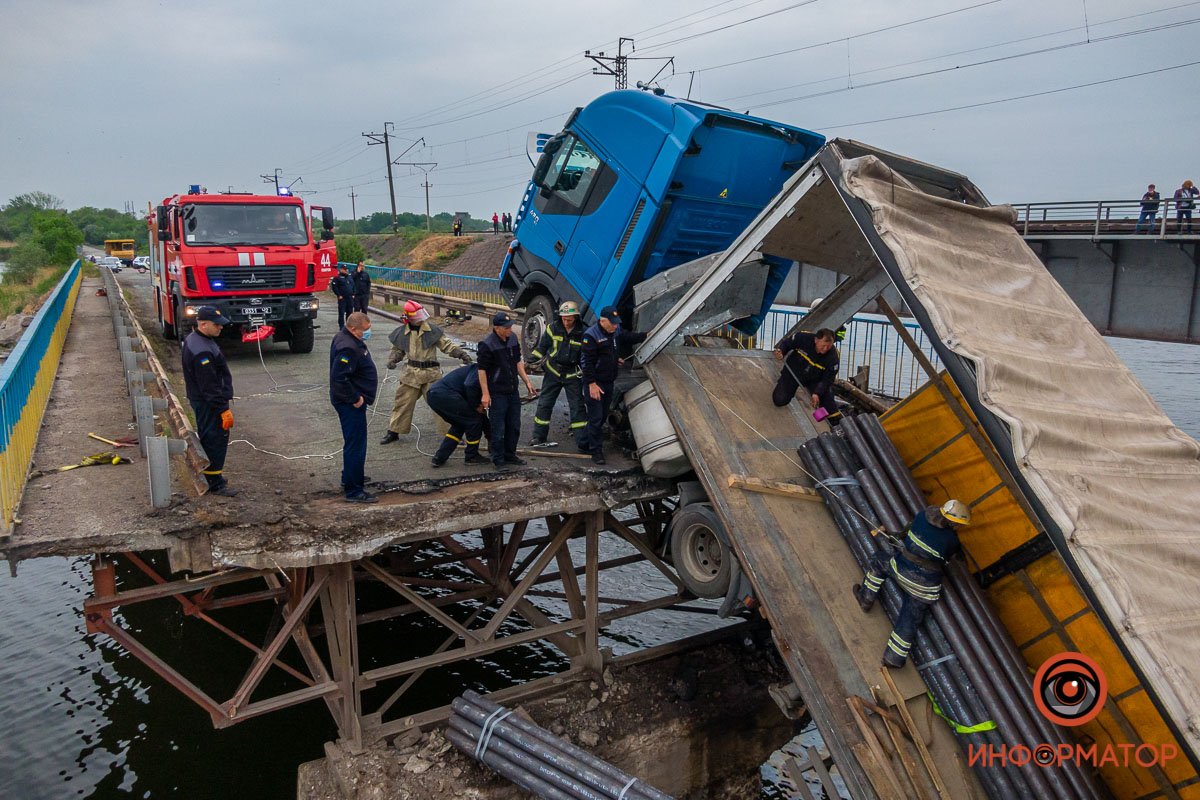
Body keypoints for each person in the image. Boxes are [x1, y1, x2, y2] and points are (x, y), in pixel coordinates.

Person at [853, 500, 971, 668]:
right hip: (924, 588)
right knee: (910, 617)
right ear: (954, 523)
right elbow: (945, 562)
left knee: (879, 561)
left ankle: (866, 598)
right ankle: (894, 658)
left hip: (900, 569)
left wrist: (901, 537)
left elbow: (908, 533)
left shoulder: (923, 515)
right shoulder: (952, 541)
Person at [379, 300, 473, 444]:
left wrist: (461, 354)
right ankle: (394, 431)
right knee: (402, 403)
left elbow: (447, 345)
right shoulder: (402, 332)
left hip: (431, 374)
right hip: (410, 375)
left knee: (441, 405)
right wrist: (393, 359)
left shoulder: (432, 331)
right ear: (409, 317)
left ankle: (452, 435)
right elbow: (397, 349)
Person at [182, 306, 238, 496]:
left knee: (212, 436)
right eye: (216, 325)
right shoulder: (202, 351)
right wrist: (222, 408)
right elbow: (209, 385)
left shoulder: (198, 340)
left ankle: (214, 477)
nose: (220, 328)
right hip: (209, 403)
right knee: (214, 439)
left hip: (204, 400)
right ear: (203, 324)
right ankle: (214, 482)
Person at [580, 306, 646, 465]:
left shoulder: (614, 331)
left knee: (602, 415)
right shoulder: (591, 335)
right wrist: (591, 384)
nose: (616, 326)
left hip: (609, 381)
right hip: (596, 383)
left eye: (617, 323)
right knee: (596, 417)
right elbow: (586, 362)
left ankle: (583, 442)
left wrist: (646, 335)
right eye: (613, 323)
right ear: (603, 321)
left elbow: (627, 337)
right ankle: (596, 451)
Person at [329, 312, 379, 503]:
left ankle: (351, 476)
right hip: (349, 403)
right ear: (353, 329)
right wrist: (355, 398)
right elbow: (339, 377)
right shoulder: (348, 347)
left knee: (355, 442)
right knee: (356, 444)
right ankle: (354, 490)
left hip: (349, 400)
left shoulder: (346, 338)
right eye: (365, 330)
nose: (368, 333)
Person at [478, 311, 537, 469]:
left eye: (510, 326)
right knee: (498, 428)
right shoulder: (487, 344)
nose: (510, 329)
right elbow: (481, 370)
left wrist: (527, 381)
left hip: (512, 390)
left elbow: (518, 362)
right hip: (497, 393)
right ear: (497, 328)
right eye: (506, 327)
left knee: (514, 425)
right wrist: (485, 394)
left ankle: (510, 454)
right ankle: (498, 459)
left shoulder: (512, 339)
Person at [529, 300, 587, 450]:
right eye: (563, 318)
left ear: (575, 317)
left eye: (569, 319)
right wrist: (532, 359)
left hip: (572, 375)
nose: (566, 322)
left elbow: (586, 356)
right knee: (544, 404)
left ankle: (583, 442)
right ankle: (538, 436)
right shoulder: (552, 328)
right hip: (553, 372)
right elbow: (542, 347)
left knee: (577, 408)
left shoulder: (583, 333)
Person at [426, 363, 491, 467]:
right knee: (474, 421)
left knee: (459, 424)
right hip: (445, 395)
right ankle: (471, 456)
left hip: (434, 395)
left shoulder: (478, 370)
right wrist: (475, 405)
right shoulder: (482, 368)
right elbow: (469, 385)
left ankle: (439, 457)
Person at [772, 328, 840, 424]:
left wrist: (817, 393)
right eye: (824, 345)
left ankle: (835, 424)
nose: (825, 349)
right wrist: (781, 351)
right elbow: (787, 343)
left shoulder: (833, 357)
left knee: (828, 401)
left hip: (815, 378)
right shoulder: (803, 337)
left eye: (829, 346)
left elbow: (828, 379)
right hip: (793, 372)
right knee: (779, 400)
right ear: (816, 340)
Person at [329, 264, 355, 329]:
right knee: (341, 313)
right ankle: (341, 327)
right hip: (342, 298)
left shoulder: (349, 277)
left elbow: (353, 285)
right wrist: (338, 295)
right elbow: (334, 287)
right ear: (341, 269)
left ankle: (349, 326)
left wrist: (353, 294)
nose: (346, 270)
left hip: (350, 297)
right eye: (344, 269)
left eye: (346, 269)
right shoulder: (337, 277)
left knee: (350, 313)